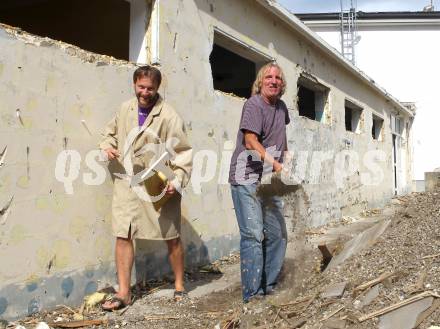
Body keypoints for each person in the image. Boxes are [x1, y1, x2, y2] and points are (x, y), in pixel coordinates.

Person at [99, 66, 192, 310]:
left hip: (159, 183)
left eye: (150, 88)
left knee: (171, 235)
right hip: (128, 182)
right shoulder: (124, 109)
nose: (145, 92)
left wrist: (177, 181)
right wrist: (108, 146)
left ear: (157, 88)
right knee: (123, 233)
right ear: (134, 84)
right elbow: (108, 134)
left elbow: (183, 153)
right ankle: (123, 292)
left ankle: (180, 285)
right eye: (141, 87)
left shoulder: (169, 115)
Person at [228, 63, 290, 303]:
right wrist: (275, 164)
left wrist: (287, 160)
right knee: (254, 235)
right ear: (260, 82)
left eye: (278, 78)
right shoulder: (253, 105)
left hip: (267, 181)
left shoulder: (282, 108)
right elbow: (251, 141)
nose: (273, 81)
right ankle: (252, 295)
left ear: (282, 84)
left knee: (278, 235)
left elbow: (281, 138)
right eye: (268, 77)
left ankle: (268, 285)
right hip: (246, 178)